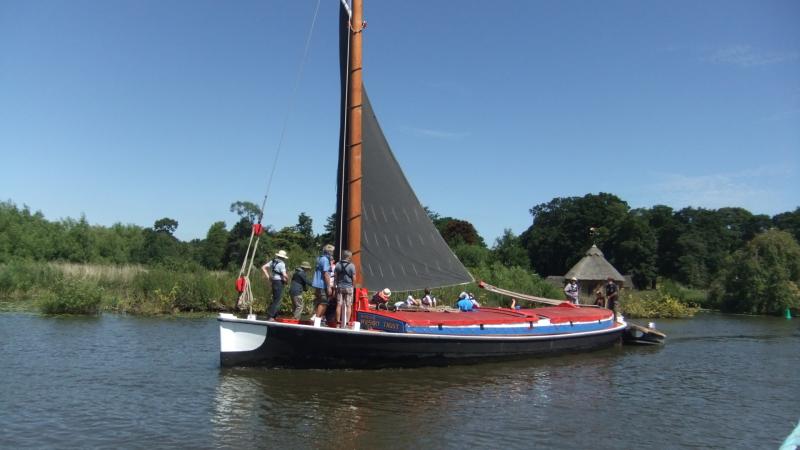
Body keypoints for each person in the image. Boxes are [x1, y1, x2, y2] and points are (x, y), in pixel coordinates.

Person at [310, 244, 334, 323]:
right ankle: (316, 320)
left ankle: (317, 319)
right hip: (322, 284)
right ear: (329, 252)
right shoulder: (325, 260)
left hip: (317, 284)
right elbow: (325, 273)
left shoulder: (319, 258)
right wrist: (328, 286)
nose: (333, 253)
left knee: (320, 302)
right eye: (332, 252)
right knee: (323, 302)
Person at [262, 249, 289, 320]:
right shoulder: (282, 264)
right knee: (277, 300)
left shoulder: (273, 261)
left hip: (273, 281)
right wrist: (287, 279)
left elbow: (263, 267)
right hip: (279, 282)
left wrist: (268, 277)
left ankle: (274, 316)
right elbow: (284, 275)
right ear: (283, 257)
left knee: (275, 298)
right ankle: (270, 316)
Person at [334, 250, 356, 328]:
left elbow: (335, 277)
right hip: (349, 287)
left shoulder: (337, 264)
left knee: (339, 304)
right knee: (349, 305)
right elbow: (354, 278)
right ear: (349, 257)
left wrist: (335, 286)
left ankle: (338, 322)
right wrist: (352, 287)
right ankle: (346, 323)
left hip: (340, 287)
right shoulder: (352, 266)